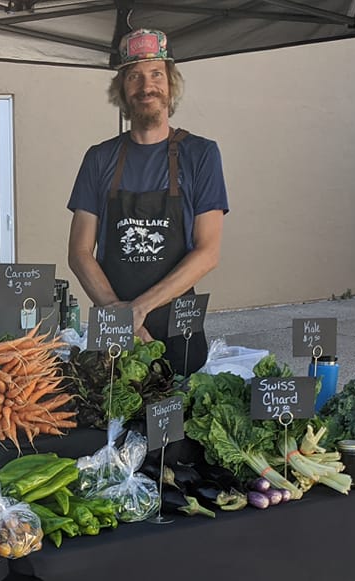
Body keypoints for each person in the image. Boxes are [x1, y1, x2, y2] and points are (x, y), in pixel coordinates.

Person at [67, 28, 228, 375]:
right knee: (106, 416)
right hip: (114, 329)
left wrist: (139, 309)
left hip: (180, 329)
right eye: (134, 77)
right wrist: (121, 316)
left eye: (156, 74)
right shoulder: (99, 158)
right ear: (122, 91)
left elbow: (208, 252)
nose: (146, 85)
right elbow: (79, 252)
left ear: (171, 85)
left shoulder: (201, 155)